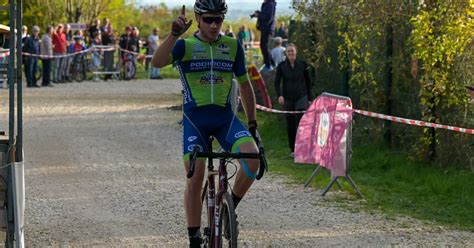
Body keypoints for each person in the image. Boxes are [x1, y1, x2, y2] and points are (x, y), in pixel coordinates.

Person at [152, 1, 261, 247]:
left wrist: (253, 124)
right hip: (196, 121)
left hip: (224, 119)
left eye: (218, 20)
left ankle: (228, 208)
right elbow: (157, 62)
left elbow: (245, 86)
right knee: (196, 175)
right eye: (208, 19)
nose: (214, 25)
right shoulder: (185, 46)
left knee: (253, 157)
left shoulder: (232, 46)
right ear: (198, 19)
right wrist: (173, 34)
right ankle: (194, 237)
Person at [274, 44, 313, 157]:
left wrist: (310, 98)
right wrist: (280, 95)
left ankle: (303, 147)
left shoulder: (303, 65)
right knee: (290, 123)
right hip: (288, 98)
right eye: (289, 51)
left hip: (301, 96)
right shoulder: (281, 66)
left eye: (292, 51)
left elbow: (308, 81)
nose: (291, 53)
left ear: (296, 52)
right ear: (286, 53)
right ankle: (293, 149)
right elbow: (277, 82)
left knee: (301, 121)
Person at [251, 0, 276, 72]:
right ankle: (272, 64)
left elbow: (268, 17)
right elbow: (265, 15)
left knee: (264, 46)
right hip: (265, 28)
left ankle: (268, 65)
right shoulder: (266, 4)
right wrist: (258, 14)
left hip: (267, 29)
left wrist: (259, 15)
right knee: (264, 46)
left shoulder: (270, 4)